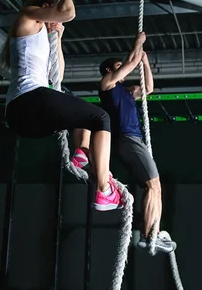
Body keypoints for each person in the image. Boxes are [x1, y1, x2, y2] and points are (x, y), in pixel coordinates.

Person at [0, 0, 123, 211]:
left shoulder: (38, 38)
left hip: (25, 119)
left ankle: (82, 154)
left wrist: (57, 38)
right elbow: (68, 12)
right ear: (44, 8)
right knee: (101, 118)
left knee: (81, 111)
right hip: (28, 101)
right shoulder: (27, 17)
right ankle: (104, 189)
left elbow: (58, 75)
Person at [70, 33, 176, 254]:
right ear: (110, 70)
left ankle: (152, 233)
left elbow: (148, 88)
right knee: (153, 186)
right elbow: (130, 62)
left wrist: (145, 60)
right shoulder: (107, 85)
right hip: (127, 140)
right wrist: (138, 43)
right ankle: (150, 235)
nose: (124, 71)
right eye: (118, 66)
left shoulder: (127, 92)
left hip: (132, 141)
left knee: (154, 187)